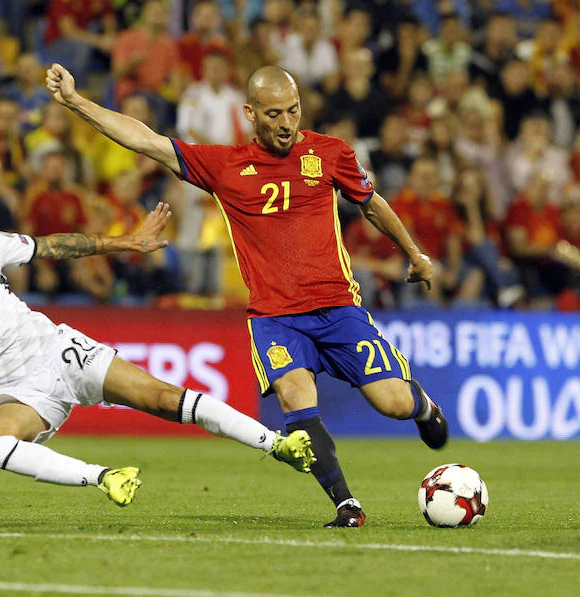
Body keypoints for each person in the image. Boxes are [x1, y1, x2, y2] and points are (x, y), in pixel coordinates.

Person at [45, 62, 448, 527]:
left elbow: (370, 203)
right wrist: (77, 102)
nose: (286, 123)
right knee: (297, 399)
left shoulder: (331, 153)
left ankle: (423, 406)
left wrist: (414, 255)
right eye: (273, 114)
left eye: (293, 111)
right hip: (275, 317)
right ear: (250, 114)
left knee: (392, 403)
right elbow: (146, 140)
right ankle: (346, 504)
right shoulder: (225, 166)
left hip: (338, 307)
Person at [0, 171, 315, 506]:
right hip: (15, 393)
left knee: (162, 397)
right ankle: (104, 478)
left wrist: (127, 241)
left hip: (57, 350)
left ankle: (278, 444)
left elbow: (52, 246)